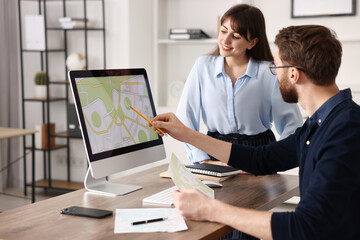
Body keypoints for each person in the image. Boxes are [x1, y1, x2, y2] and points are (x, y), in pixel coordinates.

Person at [151, 25, 360, 239]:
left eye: (276, 68)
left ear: (294, 74)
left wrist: (209, 209)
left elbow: (304, 227)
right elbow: (261, 159)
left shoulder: (346, 130)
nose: (275, 75)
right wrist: (185, 133)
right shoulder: (321, 123)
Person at [176, 4, 302, 164]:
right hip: (213, 150)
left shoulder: (269, 72)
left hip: (258, 154)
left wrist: (272, 159)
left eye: (235, 36)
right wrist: (201, 157)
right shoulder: (203, 66)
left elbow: (292, 124)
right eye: (223, 31)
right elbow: (185, 116)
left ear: (252, 42)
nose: (225, 40)